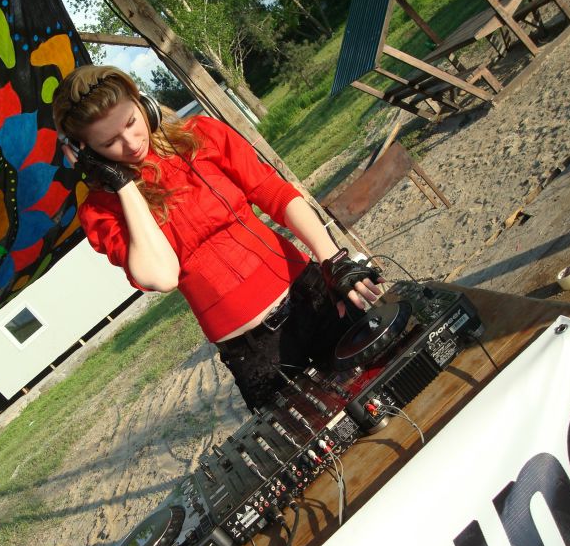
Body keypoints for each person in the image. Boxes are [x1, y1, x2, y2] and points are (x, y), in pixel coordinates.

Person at [52, 65, 382, 411]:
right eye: (109, 142)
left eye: (131, 122)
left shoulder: (200, 134)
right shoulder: (101, 211)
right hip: (254, 350)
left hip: (310, 295)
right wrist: (122, 185)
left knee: (384, 392)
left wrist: (333, 260)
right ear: (85, 152)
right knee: (325, 434)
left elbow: (274, 194)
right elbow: (162, 276)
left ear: (142, 102)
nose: (132, 143)